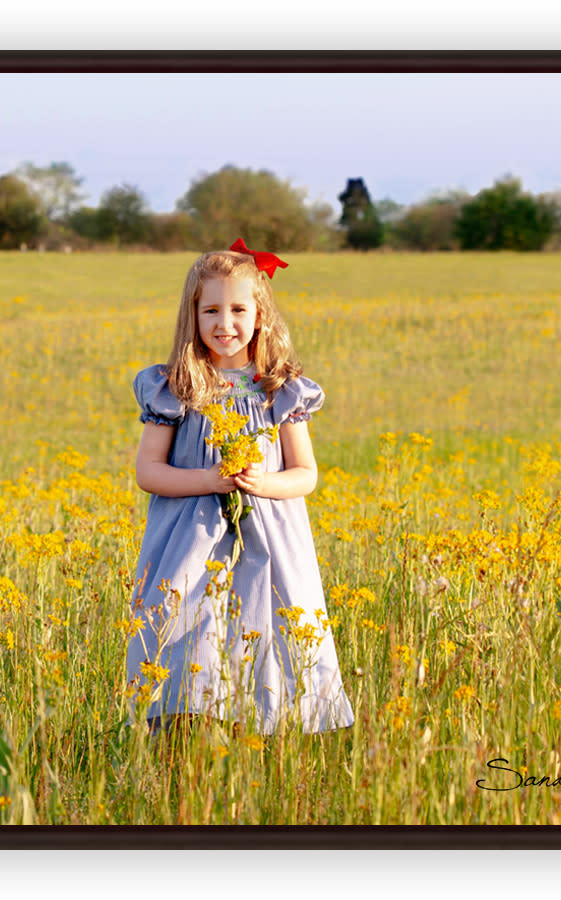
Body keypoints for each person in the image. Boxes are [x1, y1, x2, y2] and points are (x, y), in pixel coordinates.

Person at [126, 241, 355, 737]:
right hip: (189, 547)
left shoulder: (280, 388)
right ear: (193, 315)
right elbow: (148, 471)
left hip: (268, 545)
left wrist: (263, 482)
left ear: (260, 316)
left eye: (237, 309)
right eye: (210, 309)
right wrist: (209, 480)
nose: (223, 323)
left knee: (268, 635)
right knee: (189, 640)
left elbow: (306, 473)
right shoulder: (177, 386)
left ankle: (270, 741)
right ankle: (185, 748)